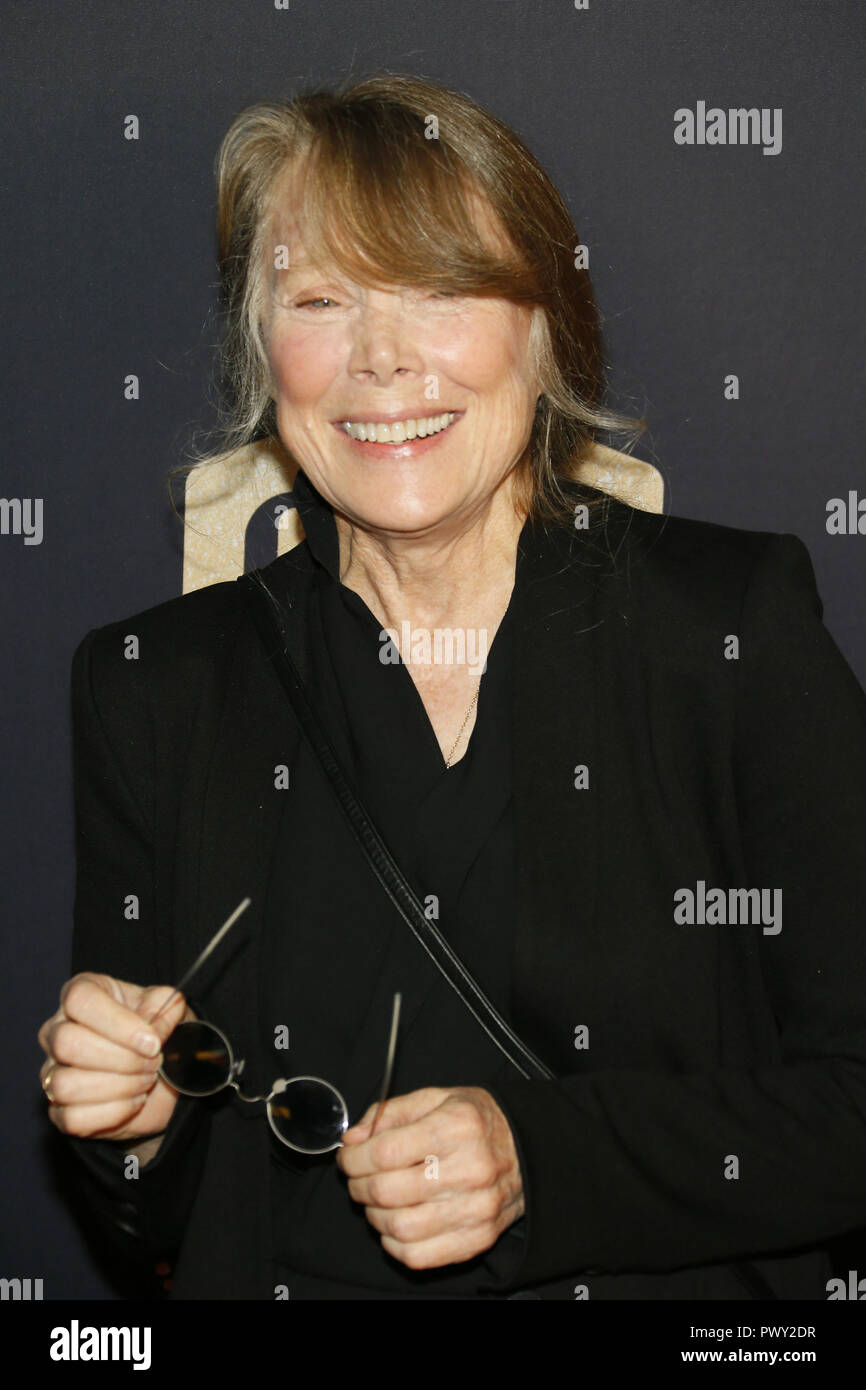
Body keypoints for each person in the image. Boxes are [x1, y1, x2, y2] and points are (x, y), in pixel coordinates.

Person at [37, 73, 866, 1301]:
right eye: (319, 299)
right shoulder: (152, 685)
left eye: (436, 292)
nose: (381, 361)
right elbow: (147, 1211)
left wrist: (541, 1161)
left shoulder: (724, 630)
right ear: (263, 356)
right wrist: (136, 1121)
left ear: (544, 330)